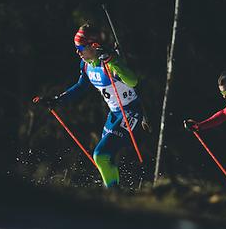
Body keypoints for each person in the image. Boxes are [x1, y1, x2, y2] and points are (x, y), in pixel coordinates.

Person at [35, 24, 146, 189]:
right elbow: (81, 87)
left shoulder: (111, 60)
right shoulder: (86, 65)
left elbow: (133, 81)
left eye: (80, 47)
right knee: (105, 159)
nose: (77, 52)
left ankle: (114, 193)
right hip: (114, 114)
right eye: (76, 48)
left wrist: (113, 61)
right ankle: (116, 193)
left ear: (94, 46)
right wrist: (57, 100)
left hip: (130, 112)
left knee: (100, 155)